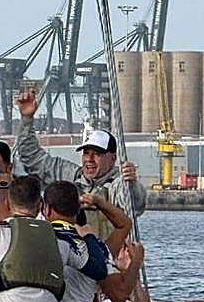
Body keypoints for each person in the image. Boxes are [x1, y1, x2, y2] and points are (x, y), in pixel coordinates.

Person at [13, 90, 145, 240]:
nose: (89, 159)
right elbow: (31, 157)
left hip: (110, 259)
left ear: (112, 158)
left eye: (97, 154)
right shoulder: (70, 176)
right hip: (75, 258)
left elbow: (135, 204)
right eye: (86, 153)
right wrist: (27, 119)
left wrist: (132, 183)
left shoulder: (119, 183)